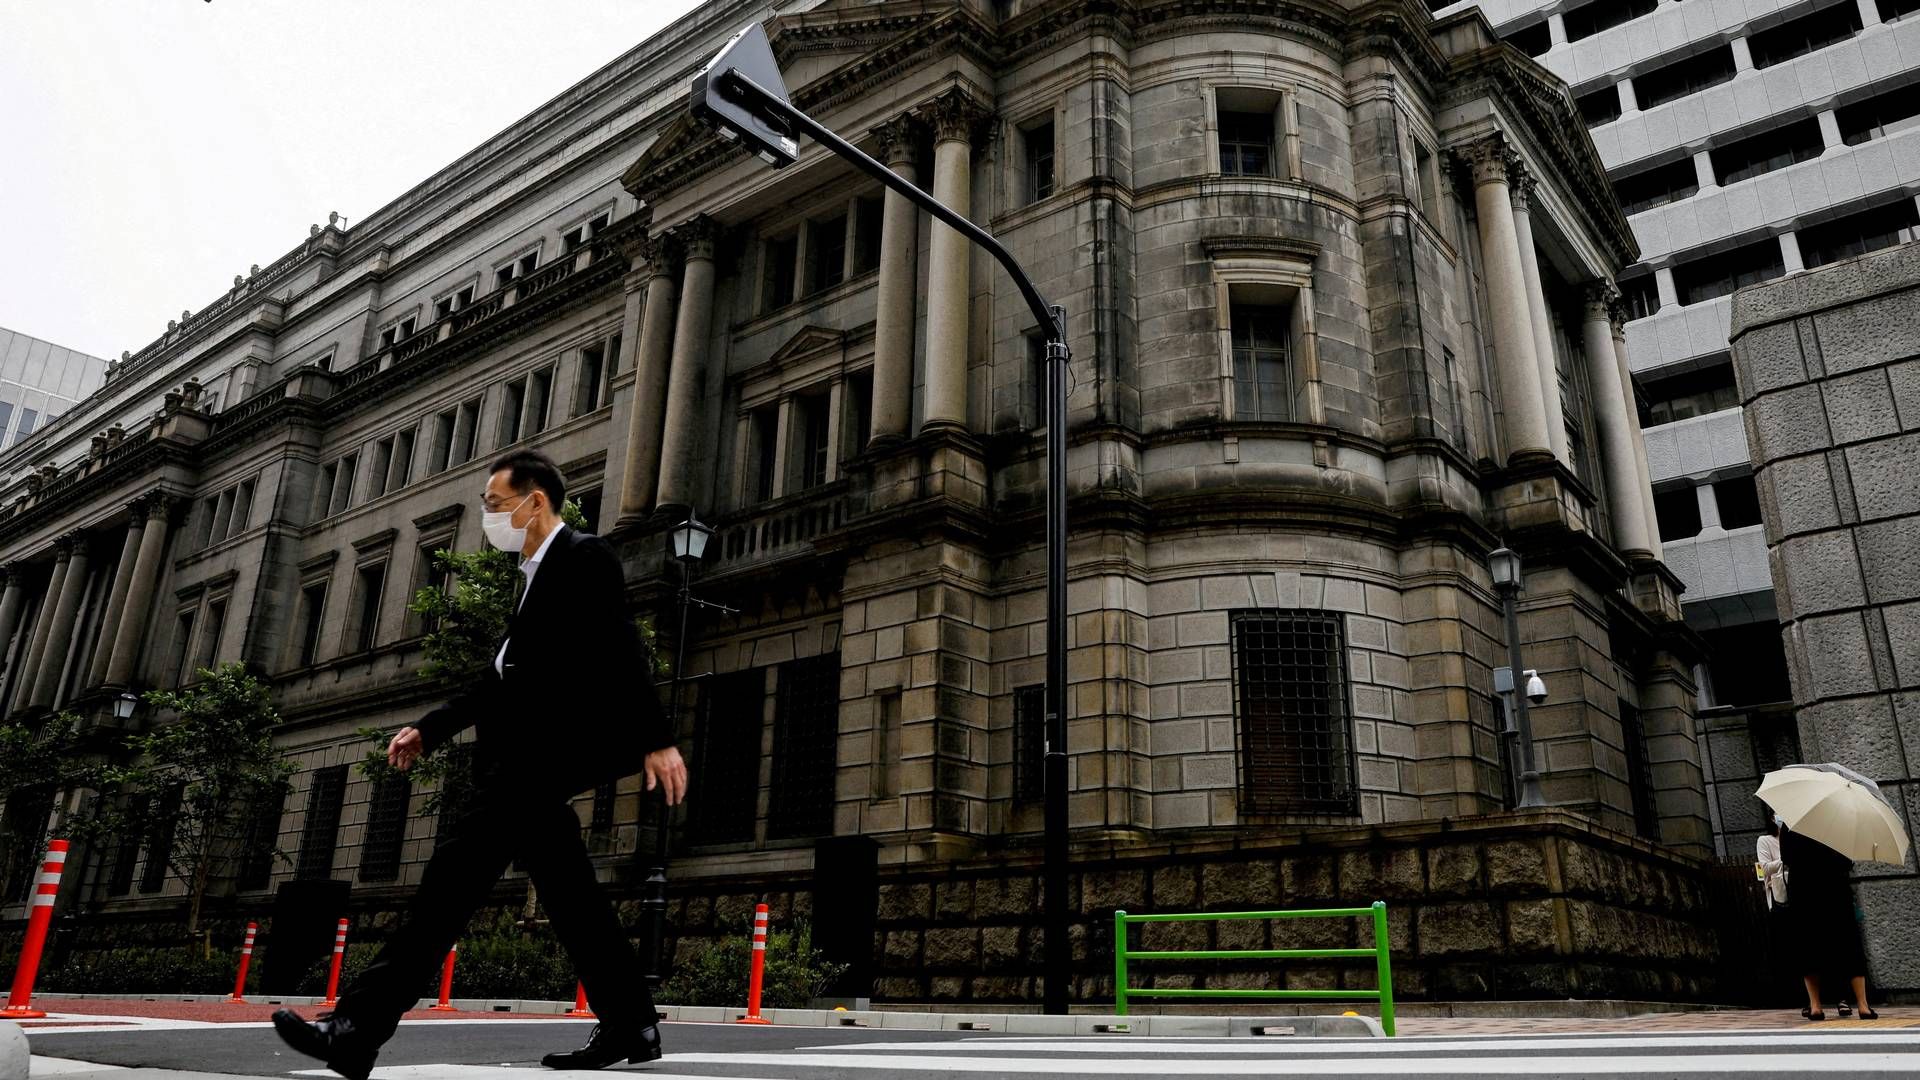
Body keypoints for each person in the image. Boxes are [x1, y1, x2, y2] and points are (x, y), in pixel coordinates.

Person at [273, 450, 689, 1078]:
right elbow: (496, 683)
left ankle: (356, 1027)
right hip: (527, 764)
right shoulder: (533, 581)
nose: (490, 516)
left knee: (447, 887)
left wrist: (656, 736)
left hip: (535, 761)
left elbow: (621, 644)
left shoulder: (583, 557)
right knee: (572, 898)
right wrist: (429, 729)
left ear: (535, 502)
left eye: (496, 505)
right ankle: (632, 1022)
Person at [1779, 823, 1878, 1021]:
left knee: (1809, 946)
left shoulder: (1792, 823)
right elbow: (1847, 861)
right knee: (1848, 943)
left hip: (1804, 889)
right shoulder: (1837, 822)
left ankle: (1815, 1006)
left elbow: (1786, 857)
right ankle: (1863, 1005)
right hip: (1835, 888)